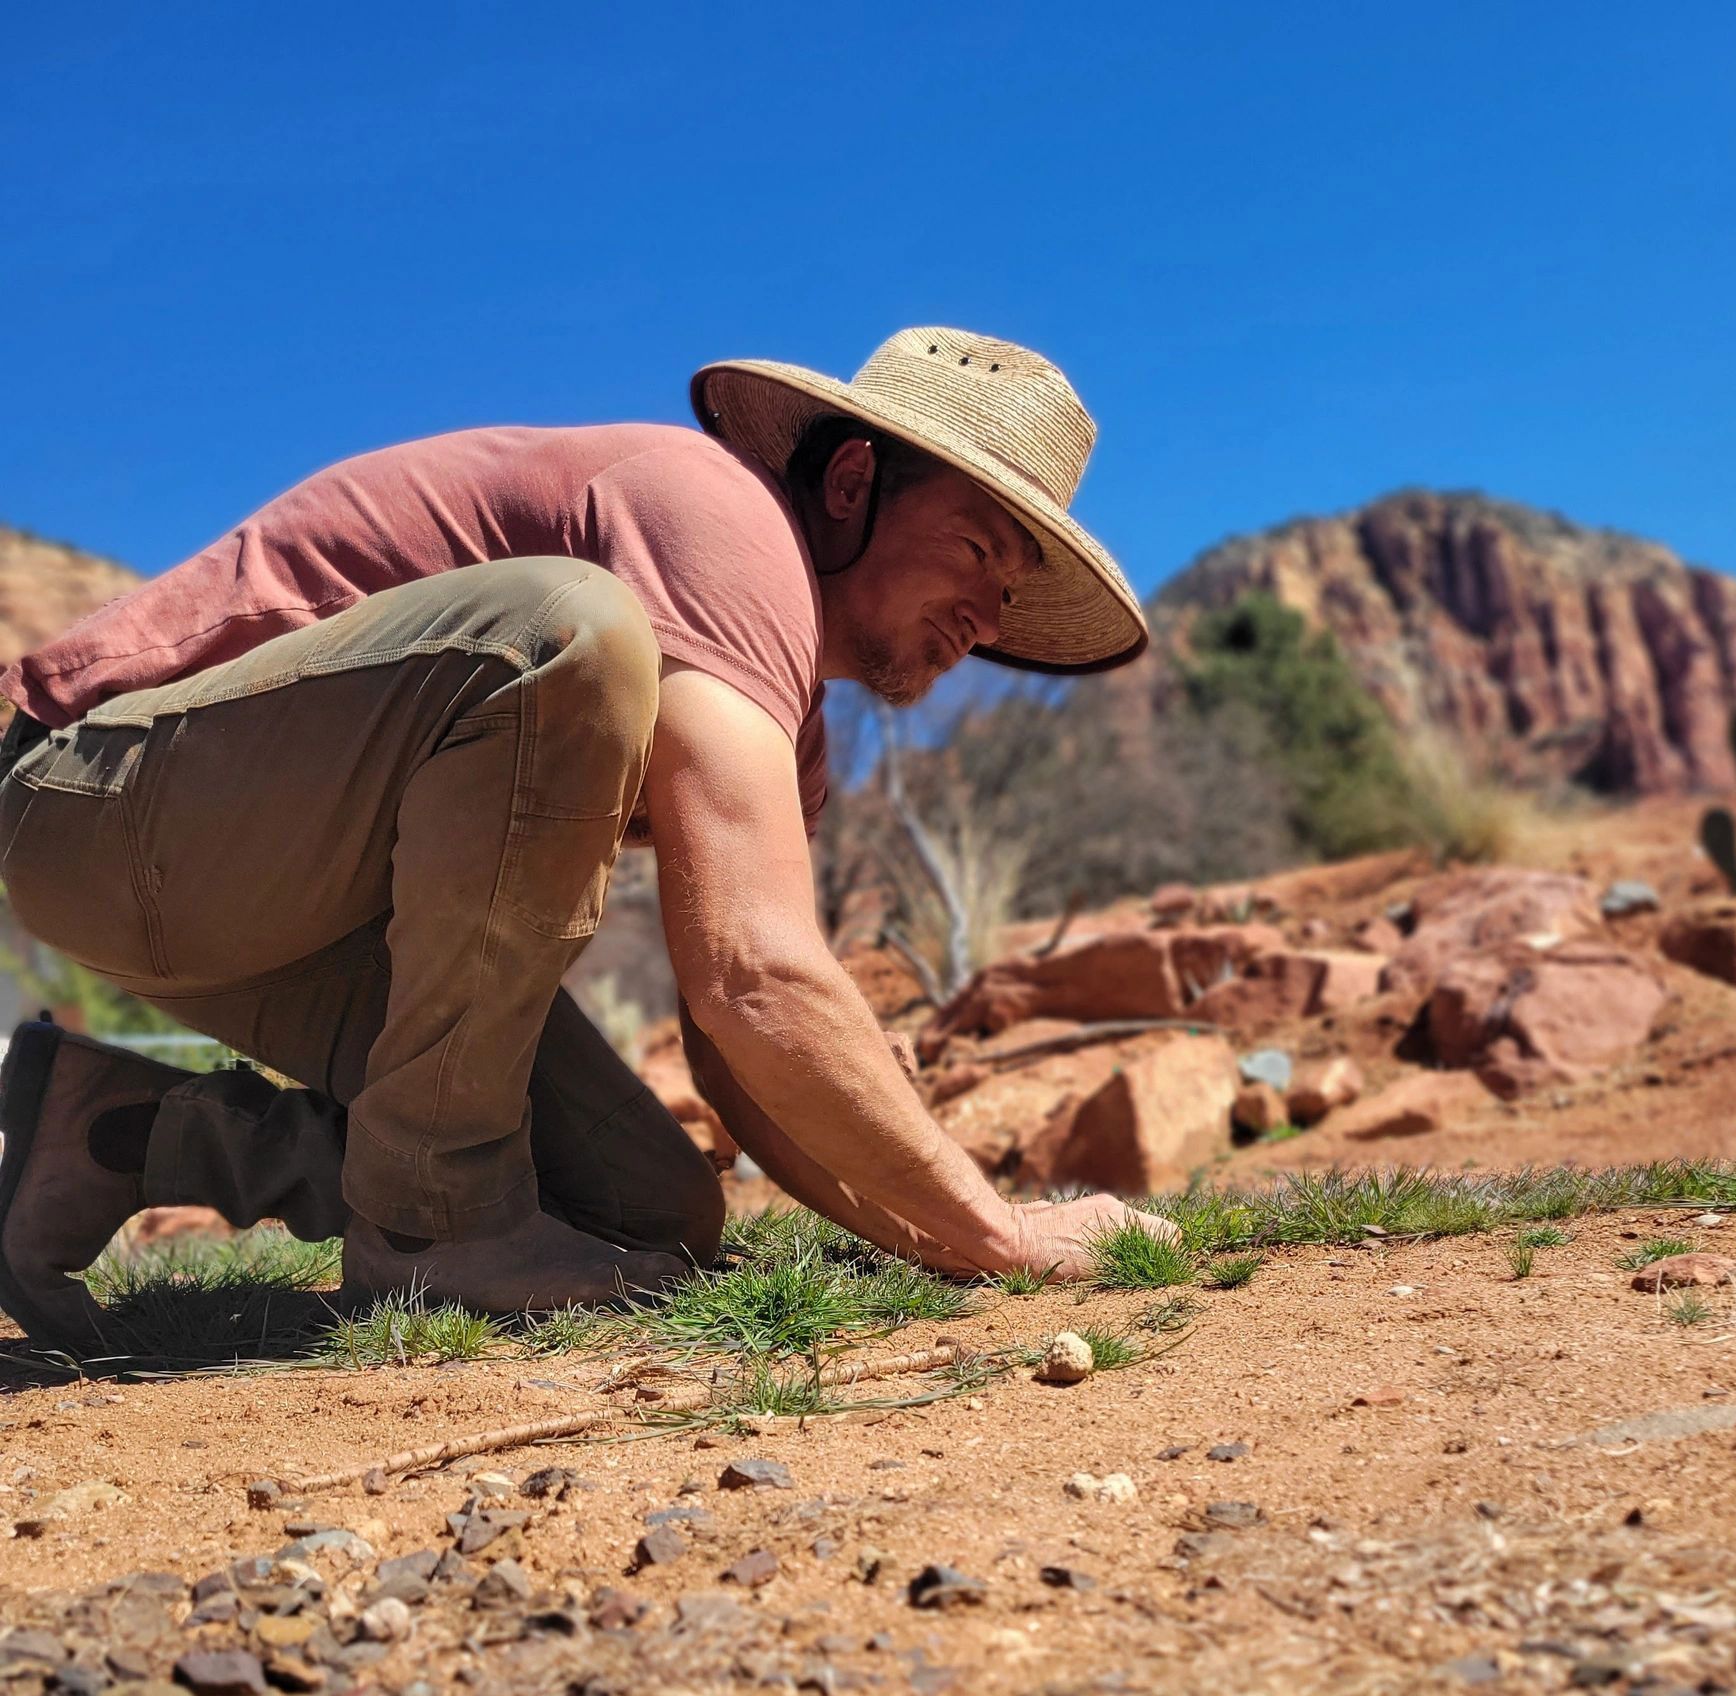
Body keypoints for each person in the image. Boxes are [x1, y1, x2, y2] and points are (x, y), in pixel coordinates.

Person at [0, 326, 1175, 1351]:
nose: (989, 615)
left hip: (286, 902)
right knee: (571, 633)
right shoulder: (722, 517)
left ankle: (114, 1134)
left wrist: (946, 1241)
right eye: (978, 550)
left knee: (645, 1208)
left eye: (1013, 590)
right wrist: (1007, 1228)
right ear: (854, 479)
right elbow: (755, 973)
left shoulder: (779, 727)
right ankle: (441, 1227)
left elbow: (739, 1046)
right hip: (91, 801)